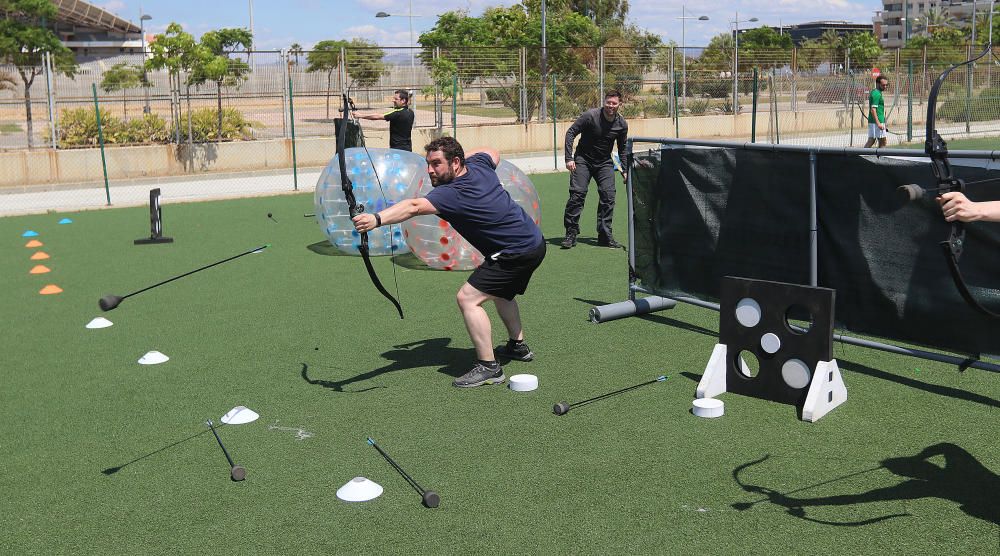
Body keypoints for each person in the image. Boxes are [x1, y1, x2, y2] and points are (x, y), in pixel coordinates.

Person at [352, 137, 546, 388]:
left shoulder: (450, 193)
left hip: (514, 252)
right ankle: (518, 347)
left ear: (455, 162)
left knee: (468, 298)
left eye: (436, 164)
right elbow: (491, 150)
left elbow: (413, 206)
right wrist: (464, 155)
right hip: (533, 243)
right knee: (502, 293)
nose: (430, 170)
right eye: (428, 164)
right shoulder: (478, 166)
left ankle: (489, 367)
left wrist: (376, 219)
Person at [561, 90, 629, 249]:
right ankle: (571, 233)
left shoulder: (621, 124)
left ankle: (605, 235)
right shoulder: (590, 116)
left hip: (604, 162)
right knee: (577, 194)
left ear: (620, 105)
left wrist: (625, 170)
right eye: (608, 102)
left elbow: (623, 149)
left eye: (614, 103)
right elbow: (571, 132)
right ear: (604, 101)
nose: (610, 106)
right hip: (583, 160)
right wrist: (569, 158)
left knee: (608, 196)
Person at [864, 75, 889, 149]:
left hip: (874, 121)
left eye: (886, 85)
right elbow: (873, 110)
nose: (885, 87)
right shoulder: (876, 94)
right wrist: (878, 124)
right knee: (883, 142)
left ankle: (862, 156)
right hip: (877, 122)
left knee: (871, 140)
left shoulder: (875, 92)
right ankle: (881, 158)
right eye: (883, 85)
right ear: (878, 84)